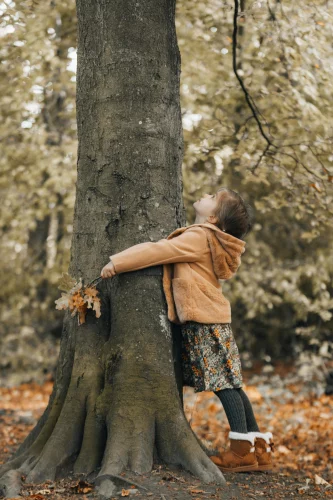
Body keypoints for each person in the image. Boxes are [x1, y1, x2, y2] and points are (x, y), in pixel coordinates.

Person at [100, 187, 274, 473]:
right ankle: (259, 450)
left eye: (212, 196)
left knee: (222, 384)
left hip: (204, 320)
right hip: (215, 318)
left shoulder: (199, 237)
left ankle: (242, 452)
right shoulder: (208, 238)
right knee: (232, 383)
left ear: (214, 217)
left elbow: (157, 251)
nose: (205, 193)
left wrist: (117, 262)